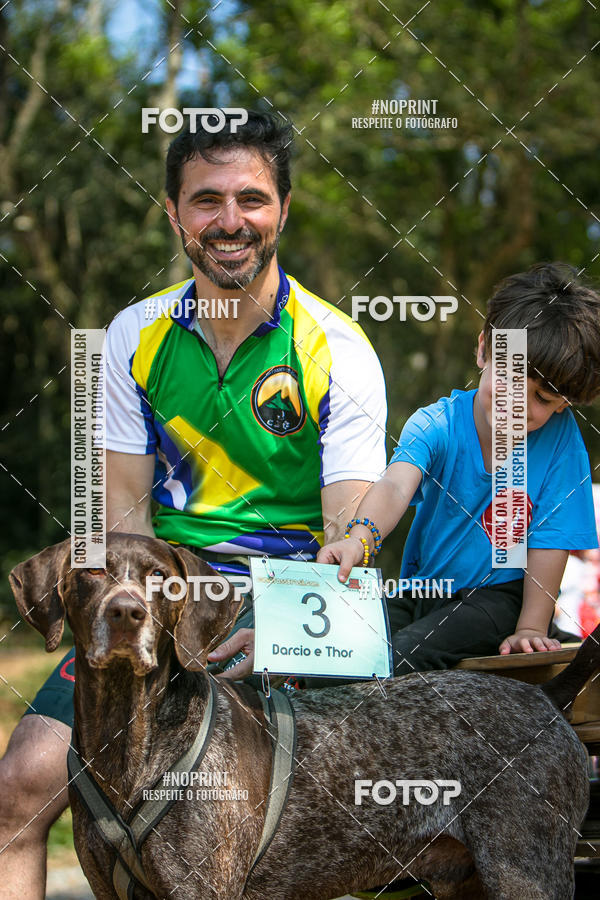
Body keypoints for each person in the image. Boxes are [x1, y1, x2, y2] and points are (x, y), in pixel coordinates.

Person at [0, 110, 386, 898]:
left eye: (252, 198)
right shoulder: (131, 335)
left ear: (284, 209)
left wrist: (273, 629)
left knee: (263, 818)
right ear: (173, 213)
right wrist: (136, 613)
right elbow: (126, 522)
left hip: (279, 602)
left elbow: (350, 532)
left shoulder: (339, 346)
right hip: (156, 589)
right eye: (206, 200)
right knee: (17, 789)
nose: (230, 221)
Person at [319, 263, 600, 675]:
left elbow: (551, 540)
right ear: (484, 349)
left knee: (400, 655)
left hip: (499, 596)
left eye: (541, 398)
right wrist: (358, 540)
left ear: (564, 404)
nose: (519, 404)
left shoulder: (560, 442)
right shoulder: (439, 423)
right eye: (510, 376)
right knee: (344, 649)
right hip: (422, 588)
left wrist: (530, 626)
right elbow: (396, 486)